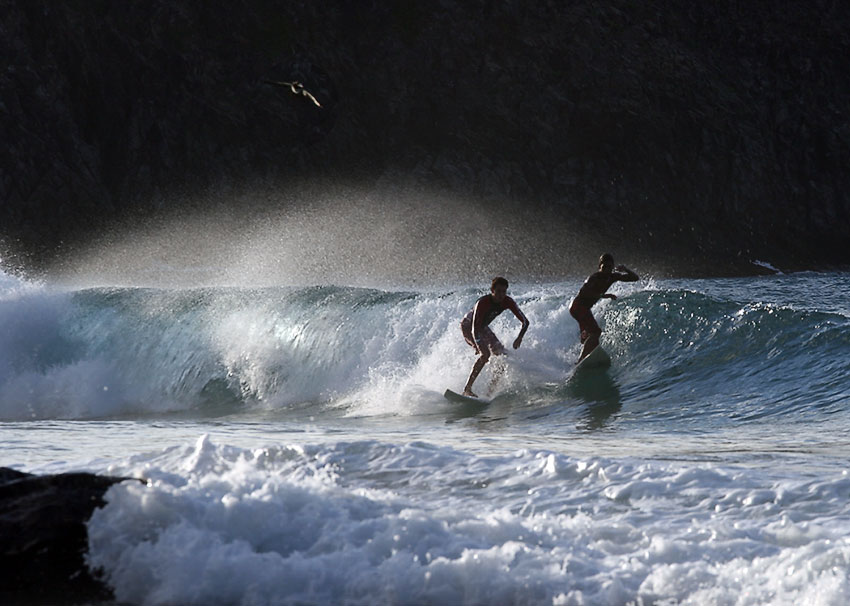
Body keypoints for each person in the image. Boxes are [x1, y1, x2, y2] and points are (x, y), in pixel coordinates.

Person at [460, 277, 529, 397]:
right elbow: (474, 329)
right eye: (498, 291)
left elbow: (525, 322)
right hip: (468, 326)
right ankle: (467, 389)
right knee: (485, 354)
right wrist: (478, 345)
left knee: (503, 356)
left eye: (504, 291)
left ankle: (489, 394)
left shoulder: (508, 302)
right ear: (492, 290)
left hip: (482, 327)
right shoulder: (482, 303)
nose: (501, 295)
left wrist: (520, 337)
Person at [570, 253, 638, 363]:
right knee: (596, 332)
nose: (607, 269)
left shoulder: (612, 276)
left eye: (610, 267)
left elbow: (635, 278)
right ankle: (581, 360)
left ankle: (585, 357)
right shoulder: (594, 278)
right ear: (599, 267)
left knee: (589, 338)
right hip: (578, 307)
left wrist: (625, 269)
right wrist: (603, 295)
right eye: (604, 266)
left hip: (584, 309)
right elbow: (585, 292)